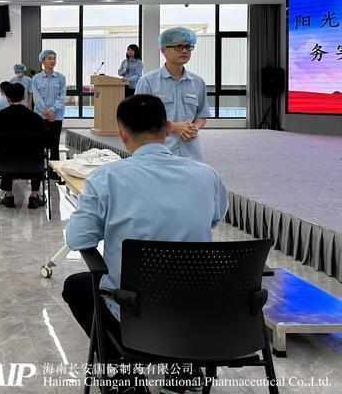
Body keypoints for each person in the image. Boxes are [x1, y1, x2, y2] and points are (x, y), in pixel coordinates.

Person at [61, 95, 227, 393]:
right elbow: (214, 219)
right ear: (167, 129)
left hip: (135, 307)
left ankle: (126, 377)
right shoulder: (207, 175)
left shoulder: (106, 179)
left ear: (122, 134)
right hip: (198, 307)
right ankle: (184, 373)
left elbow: (78, 239)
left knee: (77, 286)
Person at [135, 27, 210, 161]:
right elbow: (140, 117)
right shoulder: (147, 81)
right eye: (179, 46)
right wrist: (174, 126)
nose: (185, 51)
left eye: (188, 47)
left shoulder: (198, 82)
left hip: (191, 152)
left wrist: (194, 127)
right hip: (159, 153)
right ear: (163, 50)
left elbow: (202, 115)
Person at [0, 83, 48, 209]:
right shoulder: (35, 118)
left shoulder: (0, 117)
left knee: (6, 154)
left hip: (6, 164)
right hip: (33, 165)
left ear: (7, 99)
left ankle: (9, 196)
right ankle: (34, 196)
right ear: (24, 97)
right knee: (38, 156)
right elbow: (47, 141)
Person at [31, 49, 67, 166]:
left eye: (54, 59)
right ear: (43, 61)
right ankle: (39, 169)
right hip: (40, 116)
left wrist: (52, 111)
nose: (53, 61)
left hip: (56, 116)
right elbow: (37, 98)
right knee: (39, 144)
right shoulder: (36, 78)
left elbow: (62, 97)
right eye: (49, 58)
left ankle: (54, 171)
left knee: (55, 145)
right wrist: (46, 111)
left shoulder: (61, 78)